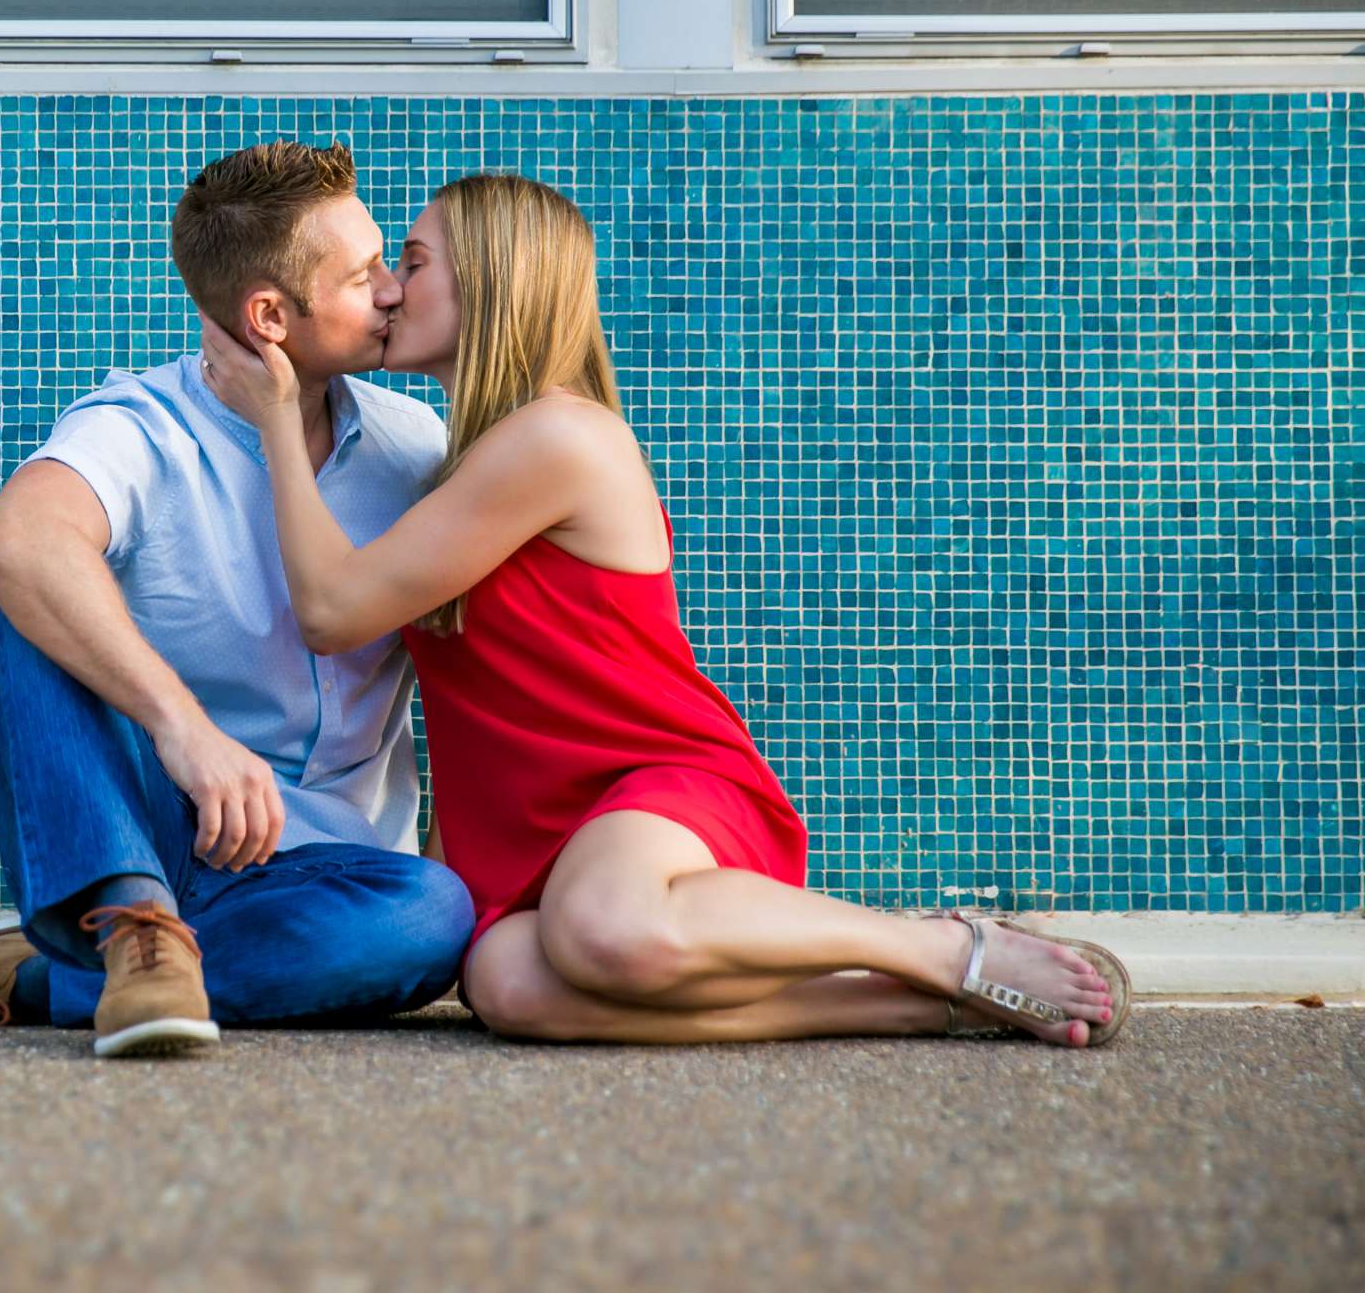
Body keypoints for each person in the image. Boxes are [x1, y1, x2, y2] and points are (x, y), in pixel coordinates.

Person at [193, 171, 1134, 1047]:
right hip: (545, 824)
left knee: (606, 928)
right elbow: (475, 704)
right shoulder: (461, 466)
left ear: (490, 280)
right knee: (509, 986)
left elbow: (332, 611)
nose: (391, 289)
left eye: (414, 261)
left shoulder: (557, 434)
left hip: (654, 783)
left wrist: (277, 415)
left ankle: (943, 946)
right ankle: (913, 1007)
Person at [0, 140, 474, 1057]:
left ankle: (43, 976)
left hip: (327, 874)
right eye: (365, 278)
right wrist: (185, 731)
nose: (394, 290)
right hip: (159, 830)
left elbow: (466, 665)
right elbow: (17, 545)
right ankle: (135, 923)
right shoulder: (138, 428)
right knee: (35, 600)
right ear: (271, 316)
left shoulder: (412, 446)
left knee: (433, 916)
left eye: (389, 266)